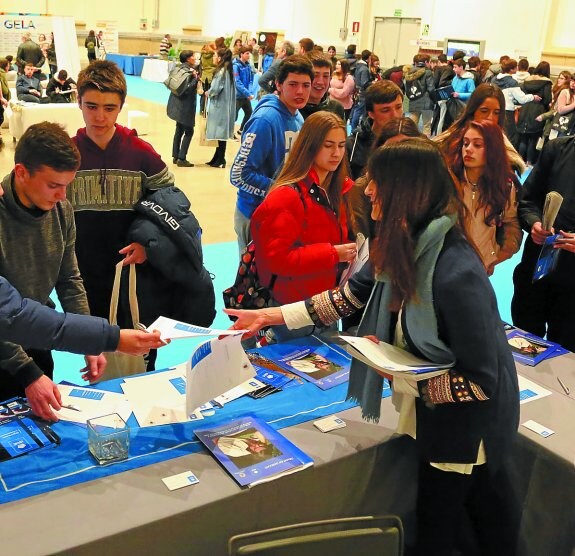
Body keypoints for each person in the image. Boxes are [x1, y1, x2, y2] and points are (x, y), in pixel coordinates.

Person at [227, 138, 520, 555]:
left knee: (447, 522)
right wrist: (269, 316)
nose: (367, 190)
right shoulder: (401, 242)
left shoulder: (455, 274)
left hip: (466, 427)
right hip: (437, 413)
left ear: (406, 190)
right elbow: (346, 297)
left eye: (376, 182)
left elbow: (480, 381)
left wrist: (400, 377)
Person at [69, 60, 215, 371]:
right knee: (95, 350)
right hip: (83, 273)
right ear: (78, 102)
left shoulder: (141, 153)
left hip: (134, 274)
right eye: (91, 106)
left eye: (109, 108)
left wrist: (149, 246)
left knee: (140, 348)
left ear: (121, 106)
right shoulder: (67, 154)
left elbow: (172, 206)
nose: (100, 116)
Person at [0, 122, 105, 418]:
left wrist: (89, 337)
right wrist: (26, 373)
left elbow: (69, 279)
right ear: (21, 173)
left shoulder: (62, 211)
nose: (61, 195)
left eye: (66, 186)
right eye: (53, 185)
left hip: (35, 340)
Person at [250, 111, 356, 310]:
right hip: (292, 305)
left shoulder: (339, 190)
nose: (336, 153)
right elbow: (277, 259)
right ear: (310, 147)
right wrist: (333, 254)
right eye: (328, 146)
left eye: (341, 146)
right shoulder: (287, 196)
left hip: (325, 301)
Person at [230, 55, 314, 253]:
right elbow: (239, 174)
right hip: (256, 214)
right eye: (293, 84)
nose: (300, 91)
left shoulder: (297, 115)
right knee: (252, 281)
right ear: (278, 84)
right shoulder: (266, 120)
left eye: (306, 85)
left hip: (281, 213)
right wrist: (281, 191)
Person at [511, 134, 575, 352]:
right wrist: (534, 224)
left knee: (567, 360)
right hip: (536, 270)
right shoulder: (557, 149)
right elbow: (527, 200)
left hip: (572, 288)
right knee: (522, 345)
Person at [446, 120, 522, 275]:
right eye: (465, 143)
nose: (468, 149)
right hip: (446, 266)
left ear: (493, 150)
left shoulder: (505, 185)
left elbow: (511, 223)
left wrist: (499, 255)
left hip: (480, 268)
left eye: (477, 145)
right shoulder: (448, 180)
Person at [434, 83, 526, 175]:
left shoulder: (505, 148)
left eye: (496, 113)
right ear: (473, 110)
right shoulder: (450, 141)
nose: (490, 117)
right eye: (484, 111)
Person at [346, 80, 404, 179]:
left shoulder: (413, 140)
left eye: (398, 107)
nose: (395, 115)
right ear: (371, 114)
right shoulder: (353, 146)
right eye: (385, 110)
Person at [493, 58, 541, 148]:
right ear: (512, 69)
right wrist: (533, 97)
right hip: (507, 112)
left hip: (495, 109)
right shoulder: (512, 82)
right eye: (516, 67)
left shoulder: (494, 79)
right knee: (510, 137)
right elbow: (522, 99)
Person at [516, 61, 552, 166]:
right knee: (533, 138)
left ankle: (520, 161)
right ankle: (529, 162)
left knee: (523, 137)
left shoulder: (527, 80)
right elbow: (547, 99)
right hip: (537, 110)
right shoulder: (547, 83)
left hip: (525, 109)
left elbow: (522, 94)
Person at [167, 50, 199, 167]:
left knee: (178, 130)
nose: (194, 58)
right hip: (186, 106)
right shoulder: (190, 72)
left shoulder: (178, 68)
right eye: (192, 56)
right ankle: (182, 158)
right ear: (187, 59)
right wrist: (195, 79)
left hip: (176, 104)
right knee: (189, 131)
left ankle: (175, 156)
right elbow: (188, 89)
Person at [205, 48, 236, 169]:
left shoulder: (221, 71)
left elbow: (216, 88)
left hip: (219, 105)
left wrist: (208, 92)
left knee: (220, 133)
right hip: (226, 104)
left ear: (220, 58)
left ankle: (221, 158)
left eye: (215, 55)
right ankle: (217, 157)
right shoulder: (228, 70)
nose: (213, 58)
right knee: (221, 132)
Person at [300, 51, 345, 121]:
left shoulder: (336, 108)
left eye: (325, 76)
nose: (320, 82)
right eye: (315, 75)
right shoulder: (295, 109)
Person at [403, 53, 435, 136]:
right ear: (425, 62)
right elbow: (431, 88)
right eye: (429, 62)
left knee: (412, 125)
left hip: (414, 100)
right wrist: (435, 98)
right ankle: (425, 144)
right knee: (426, 126)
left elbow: (407, 89)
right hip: (426, 102)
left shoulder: (408, 73)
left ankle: (409, 141)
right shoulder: (428, 73)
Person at [233, 47, 255, 139]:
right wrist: (247, 93)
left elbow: (250, 80)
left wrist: (249, 92)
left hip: (245, 97)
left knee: (249, 113)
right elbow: (237, 82)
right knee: (234, 116)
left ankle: (241, 129)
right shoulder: (235, 66)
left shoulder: (248, 66)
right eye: (246, 53)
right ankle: (230, 133)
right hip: (237, 96)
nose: (248, 55)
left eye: (249, 53)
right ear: (241, 54)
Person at [349, 49, 372, 130]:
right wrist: (373, 83)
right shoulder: (364, 69)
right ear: (369, 58)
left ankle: (353, 127)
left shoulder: (357, 66)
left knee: (356, 109)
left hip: (357, 91)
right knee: (359, 111)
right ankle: (354, 129)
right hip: (362, 93)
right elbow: (364, 83)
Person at [329, 58, 355, 122]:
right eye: (337, 64)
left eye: (339, 64)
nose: (337, 66)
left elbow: (343, 93)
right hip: (332, 104)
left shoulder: (349, 78)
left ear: (344, 66)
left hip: (344, 107)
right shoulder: (333, 74)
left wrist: (330, 90)